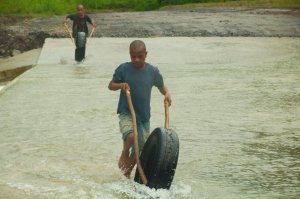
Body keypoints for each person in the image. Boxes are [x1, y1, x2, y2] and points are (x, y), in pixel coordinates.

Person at [108, 40, 172, 178]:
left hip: (143, 117)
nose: (136, 59)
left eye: (140, 56)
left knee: (141, 149)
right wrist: (121, 85)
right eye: (133, 56)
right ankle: (125, 152)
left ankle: (127, 172)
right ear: (130, 55)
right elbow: (111, 85)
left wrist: (167, 93)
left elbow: (161, 85)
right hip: (127, 112)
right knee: (132, 136)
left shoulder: (152, 71)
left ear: (146, 54)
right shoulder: (123, 69)